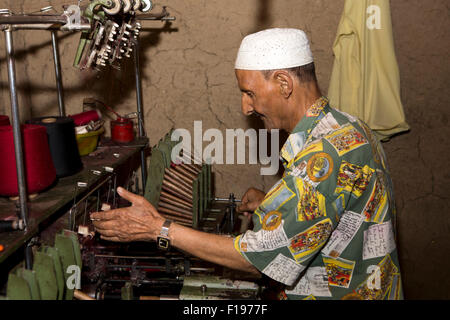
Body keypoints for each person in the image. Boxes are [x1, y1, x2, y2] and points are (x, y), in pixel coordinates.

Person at [91, 28, 403, 300]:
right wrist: (274, 204)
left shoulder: (322, 157)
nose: (246, 106)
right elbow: (336, 208)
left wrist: (157, 228)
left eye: (249, 93)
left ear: (283, 83)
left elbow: (258, 258)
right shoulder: (348, 127)